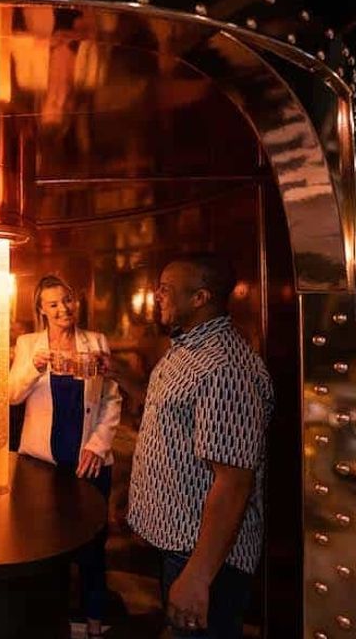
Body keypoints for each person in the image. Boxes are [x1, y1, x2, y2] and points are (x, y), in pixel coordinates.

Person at [127, 253, 274, 638]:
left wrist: (196, 576)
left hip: (205, 557)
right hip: (180, 544)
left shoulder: (224, 367)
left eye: (166, 289)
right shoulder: (186, 348)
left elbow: (233, 482)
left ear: (200, 298)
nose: (155, 296)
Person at [8, 274, 123, 638]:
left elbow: (111, 399)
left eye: (68, 301)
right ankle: (49, 620)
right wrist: (33, 368)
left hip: (88, 463)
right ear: (41, 309)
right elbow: (10, 395)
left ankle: (93, 620)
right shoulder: (28, 344)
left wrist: (97, 445)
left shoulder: (96, 342)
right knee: (44, 543)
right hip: (42, 463)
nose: (63, 309)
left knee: (92, 544)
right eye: (54, 303)